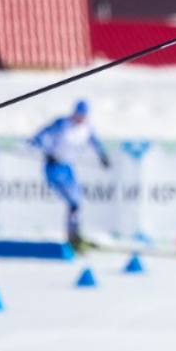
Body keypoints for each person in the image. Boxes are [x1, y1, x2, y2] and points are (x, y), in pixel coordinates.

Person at [30, 99, 110, 251]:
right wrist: (43, 148)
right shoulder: (62, 123)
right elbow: (43, 134)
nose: (79, 118)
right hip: (54, 167)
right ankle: (73, 236)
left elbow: (95, 142)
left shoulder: (87, 128)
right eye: (78, 115)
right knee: (72, 200)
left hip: (68, 167)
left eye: (83, 116)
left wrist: (103, 156)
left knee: (77, 201)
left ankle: (74, 235)